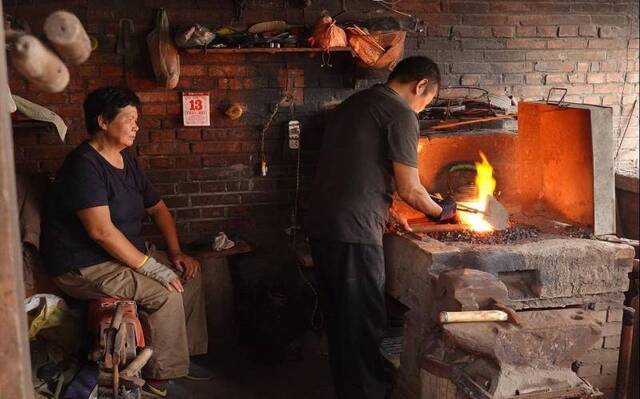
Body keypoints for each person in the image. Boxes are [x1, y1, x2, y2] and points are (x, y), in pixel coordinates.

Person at [42, 86, 210, 398]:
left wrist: (175, 253)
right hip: (84, 263)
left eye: (137, 119)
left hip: (124, 254)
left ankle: (185, 357)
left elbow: (158, 208)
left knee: (191, 276)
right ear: (103, 121)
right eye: (129, 119)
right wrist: (154, 270)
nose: (136, 125)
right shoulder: (84, 165)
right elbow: (101, 232)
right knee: (165, 292)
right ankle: (160, 379)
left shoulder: (126, 160)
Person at [307, 56, 456, 399]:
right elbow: (412, 189)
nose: (421, 109)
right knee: (362, 326)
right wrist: (441, 212)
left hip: (324, 224)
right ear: (420, 86)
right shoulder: (400, 113)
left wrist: (385, 209)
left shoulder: (356, 103)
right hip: (354, 233)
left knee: (341, 325)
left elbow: (355, 168)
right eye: (427, 101)